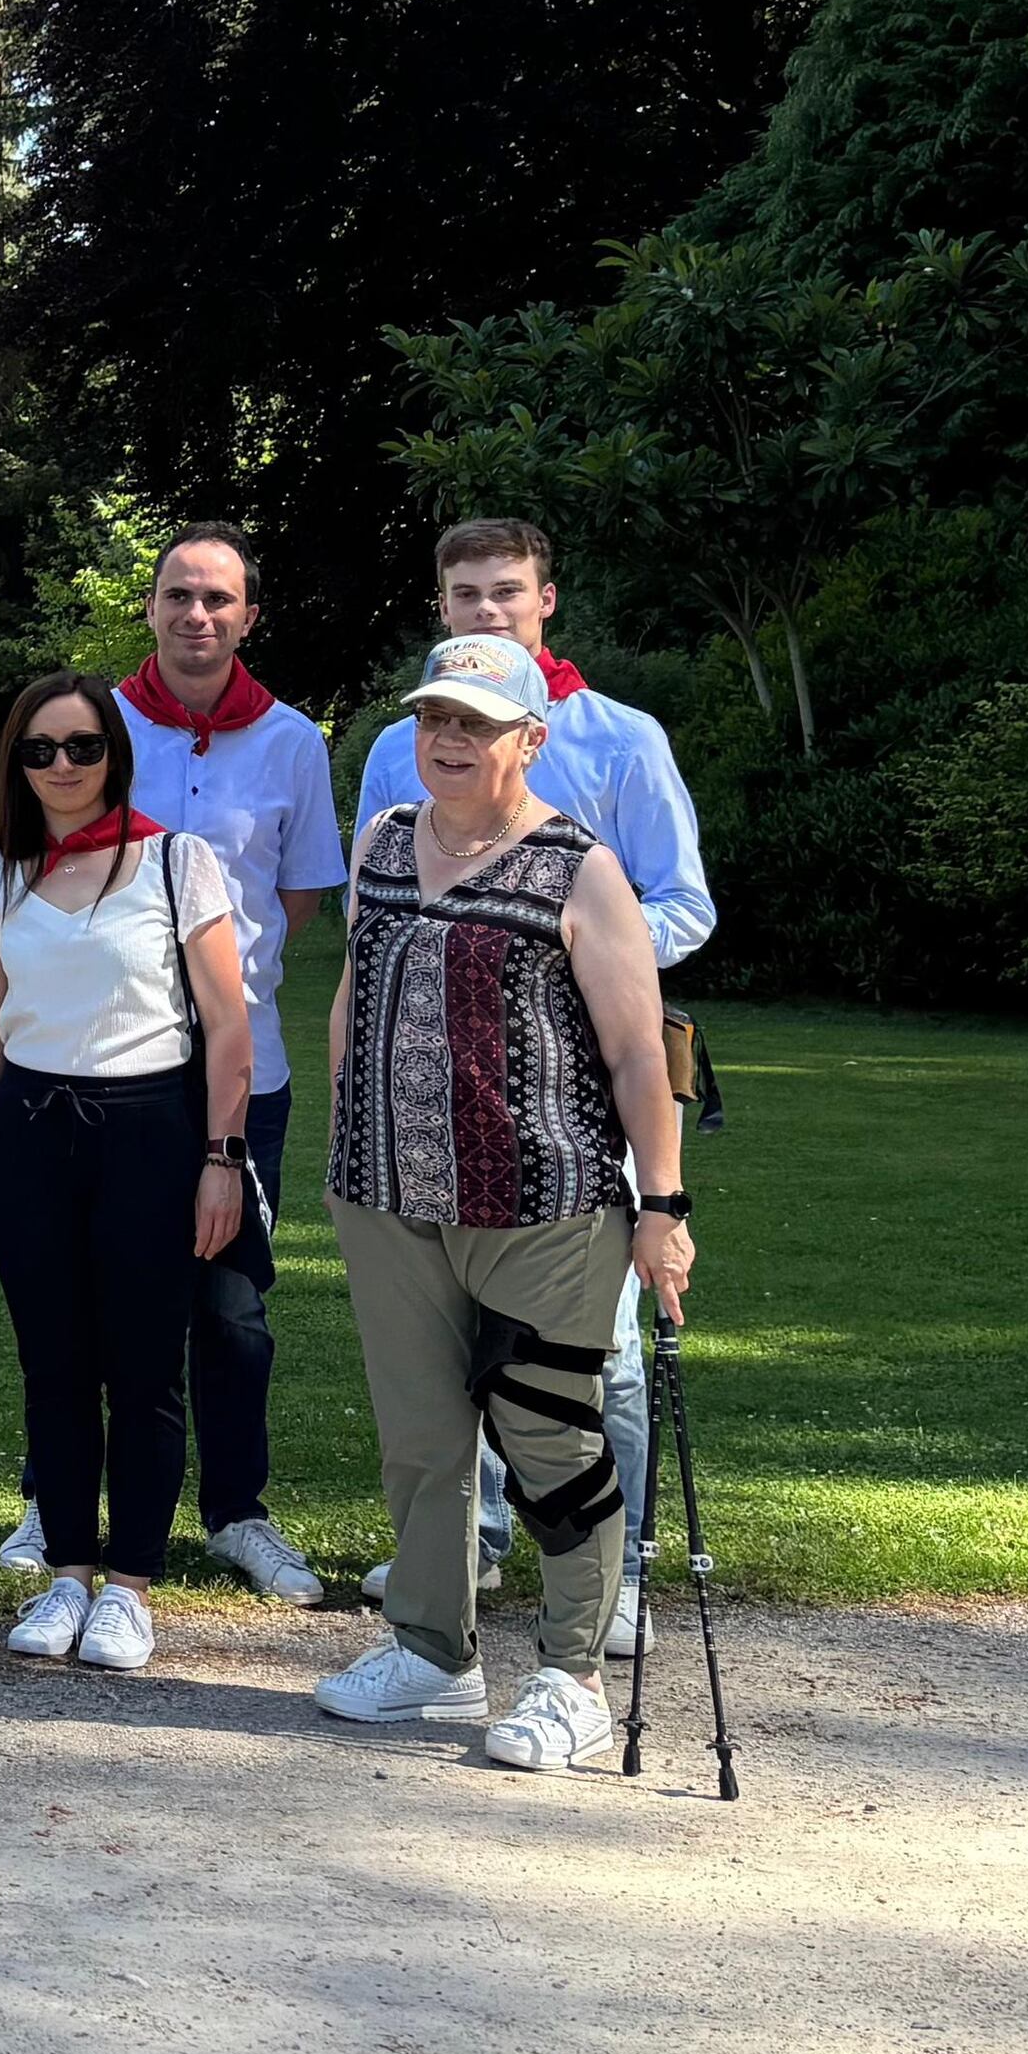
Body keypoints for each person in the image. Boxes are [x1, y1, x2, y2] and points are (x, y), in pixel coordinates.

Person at [314, 631, 696, 1773]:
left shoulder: (578, 867)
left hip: (545, 1199)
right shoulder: (380, 839)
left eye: (474, 723)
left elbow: (636, 1057)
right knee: (423, 1439)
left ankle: (571, 1675)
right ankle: (432, 1653)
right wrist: (346, 1127)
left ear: (529, 738)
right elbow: (350, 993)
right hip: (387, 1195)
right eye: (433, 718)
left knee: (549, 1437)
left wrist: (662, 1205)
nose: (446, 739)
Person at [0, 525, 340, 1605]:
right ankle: (54, 1504)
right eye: (177, 595)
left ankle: (235, 1511)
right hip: (100, 1073)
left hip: (242, 1069)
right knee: (82, 1302)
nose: (197, 615)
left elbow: (290, 901)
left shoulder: (289, 742)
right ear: (148, 607)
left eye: (217, 599)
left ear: (246, 616)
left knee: (228, 1310)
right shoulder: (95, 726)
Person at [0, 674, 253, 1676]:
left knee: (144, 1370)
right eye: (38, 750)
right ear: (13, 762)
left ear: (111, 754)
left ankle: (129, 1585)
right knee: (53, 1366)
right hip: (32, 1131)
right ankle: (67, 1569)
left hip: (152, 1132)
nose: (61, 767)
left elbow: (227, 1027)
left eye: (79, 747)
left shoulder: (175, 862)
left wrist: (220, 1160)